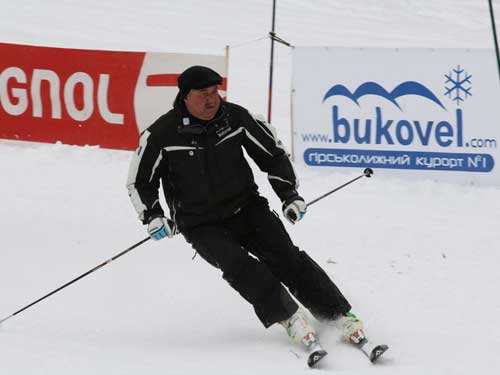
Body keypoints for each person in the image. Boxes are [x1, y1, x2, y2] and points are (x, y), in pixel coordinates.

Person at [126, 65, 365, 356]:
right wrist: (153, 216)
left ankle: (337, 315)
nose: (212, 100)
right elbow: (140, 182)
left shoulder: (235, 118)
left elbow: (272, 155)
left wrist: (288, 195)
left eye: (215, 92)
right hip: (200, 223)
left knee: (286, 256)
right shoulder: (161, 134)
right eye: (203, 94)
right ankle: (289, 317)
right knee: (241, 267)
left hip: (246, 207)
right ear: (185, 96)